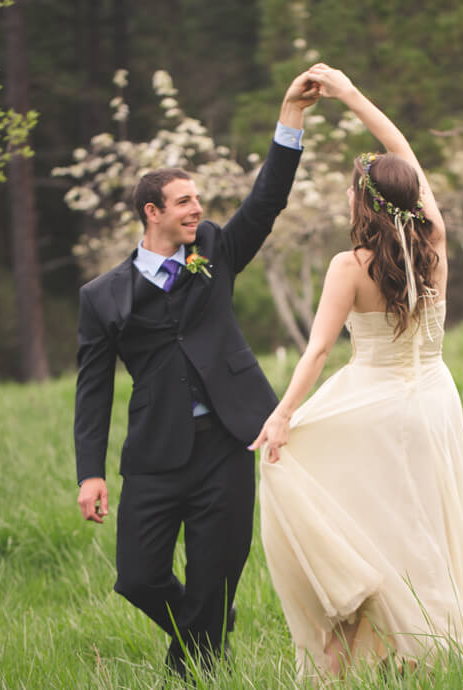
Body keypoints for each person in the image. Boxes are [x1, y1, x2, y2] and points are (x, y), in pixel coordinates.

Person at [73, 69, 319, 678]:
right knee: (138, 578)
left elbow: (265, 203)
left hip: (229, 444)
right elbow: (93, 390)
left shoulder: (215, 253)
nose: (197, 210)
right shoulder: (102, 296)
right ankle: (208, 630)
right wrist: (90, 474)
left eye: (198, 201)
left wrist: (291, 116)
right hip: (155, 454)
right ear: (152, 212)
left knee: (215, 578)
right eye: (184, 202)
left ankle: (197, 668)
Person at [251, 64, 463, 680]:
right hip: (434, 402)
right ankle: (426, 646)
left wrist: (282, 416)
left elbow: (318, 352)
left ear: (364, 202)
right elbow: (402, 153)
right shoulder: (433, 240)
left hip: (374, 404)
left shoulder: (347, 266)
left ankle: (351, 648)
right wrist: (353, 95)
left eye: (353, 189)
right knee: (421, 525)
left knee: (343, 510)